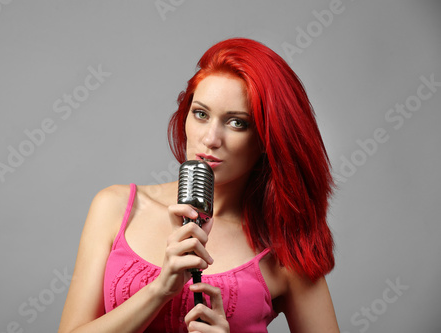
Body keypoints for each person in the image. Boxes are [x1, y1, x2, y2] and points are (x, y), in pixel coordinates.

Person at [58, 38, 340, 333]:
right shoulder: (116, 207)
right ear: (186, 116)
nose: (210, 139)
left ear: (267, 140)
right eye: (201, 114)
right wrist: (159, 290)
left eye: (237, 123)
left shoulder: (284, 247)